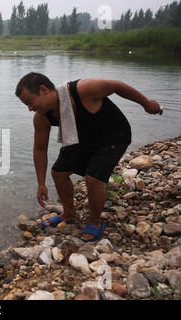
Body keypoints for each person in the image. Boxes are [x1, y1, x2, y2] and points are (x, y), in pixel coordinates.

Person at [15, 72, 163, 242]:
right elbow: (40, 149)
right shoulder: (41, 118)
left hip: (114, 135)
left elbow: (116, 85)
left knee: (93, 178)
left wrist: (146, 103)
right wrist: (41, 183)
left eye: (29, 102)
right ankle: (69, 214)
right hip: (82, 139)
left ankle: (94, 221)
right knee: (58, 173)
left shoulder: (83, 89)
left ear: (43, 90)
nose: (30, 108)